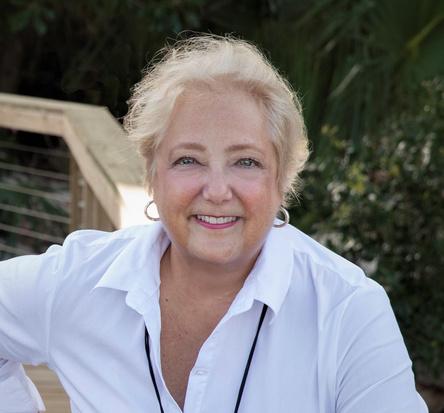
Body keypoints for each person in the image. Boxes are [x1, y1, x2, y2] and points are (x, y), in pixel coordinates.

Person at [0, 35, 428, 413]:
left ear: (282, 180)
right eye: (189, 160)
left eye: (246, 162)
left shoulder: (348, 311)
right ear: (152, 174)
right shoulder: (80, 281)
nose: (218, 190)